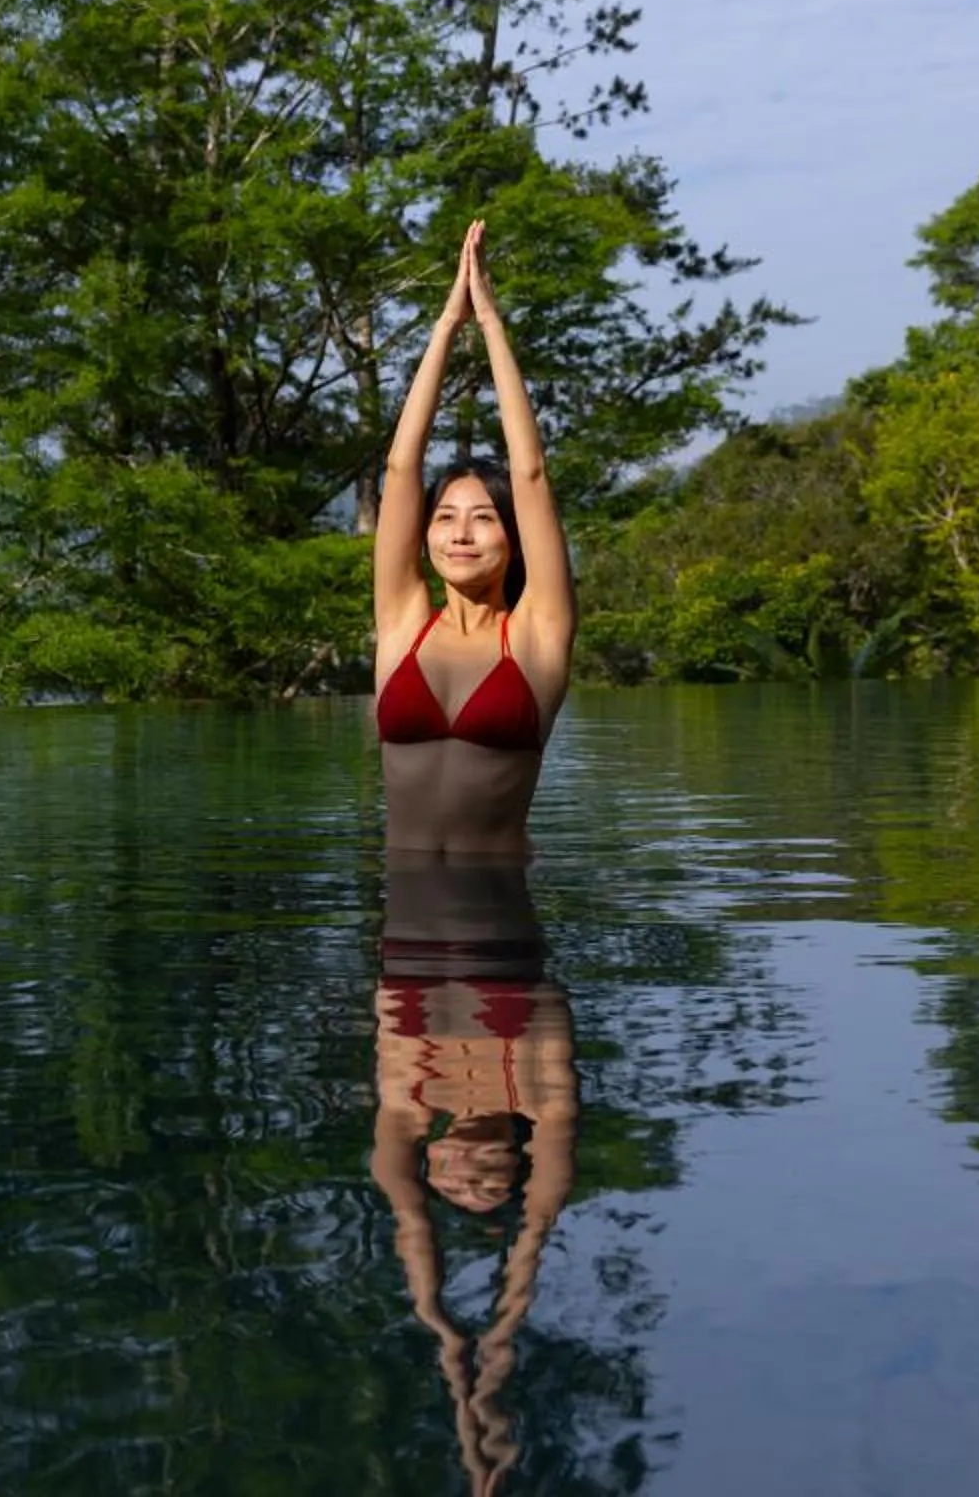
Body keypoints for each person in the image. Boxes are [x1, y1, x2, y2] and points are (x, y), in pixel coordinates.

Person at [370, 846, 579, 1496]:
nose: (468, 1176)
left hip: (414, 902)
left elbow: (407, 1211)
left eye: (454, 1186)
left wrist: (442, 1329)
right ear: (520, 1159)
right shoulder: (539, 1095)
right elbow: (538, 1219)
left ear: (430, 1162)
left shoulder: (410, 1100)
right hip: (493, 890)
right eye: (490, 1184)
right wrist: (501, 1337)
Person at [374, 222, 577, 849]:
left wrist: (489, 322)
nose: (460, 534)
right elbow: (401, 469)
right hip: (404, 905)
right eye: (445, 517)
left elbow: (531, 472)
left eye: (484, 517)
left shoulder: (538, 634)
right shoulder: (404, 622)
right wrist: (445, 325)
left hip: (498, 902)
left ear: (513, 538)